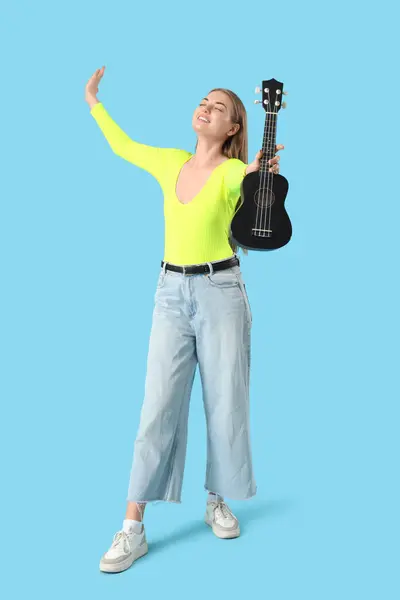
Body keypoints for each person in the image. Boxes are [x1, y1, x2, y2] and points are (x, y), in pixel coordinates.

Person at [85, 66, 283, 574]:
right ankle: (132, 527)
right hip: (170, 293)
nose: (207, 109)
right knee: (156, 408)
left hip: (221, 291)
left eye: (219, 108)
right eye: (204, 102)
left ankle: (218, 498)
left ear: (233, 128)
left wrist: (264, 171)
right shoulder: (170, 161)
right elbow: (124, 147)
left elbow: (261, 197)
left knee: (225, 400)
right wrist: (94, 103)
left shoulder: (233, 173)